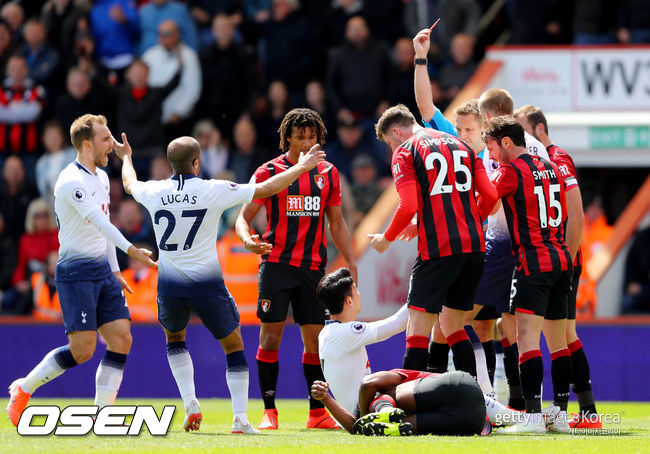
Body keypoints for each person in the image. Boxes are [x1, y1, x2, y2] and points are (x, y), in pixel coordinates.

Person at [118, 132, 326, 433]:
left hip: (170, 284)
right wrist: (302, 167)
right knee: (233, 346)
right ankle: (240, 418)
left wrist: (127, 157)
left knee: (175, 340)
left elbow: (128, 183)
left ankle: (190, 402)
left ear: (170, 164)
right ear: (197, 162)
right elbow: (266, 187)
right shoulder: (212, 189)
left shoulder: (154, 191)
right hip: (206, 284)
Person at [6, 114, 157, 427]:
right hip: (75, 272)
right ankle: (24, 388)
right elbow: (100, 222)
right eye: (105, 139)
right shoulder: (70, 181)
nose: (111, 145)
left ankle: (102, 415)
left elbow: (104, 229)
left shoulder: (100, 177)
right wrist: (131, 251)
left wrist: (115, 269)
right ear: (87, 144)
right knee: (83, 350)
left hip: (102, 269)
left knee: (121, 338)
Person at [235, 108, 356, 430]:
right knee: (270, 337)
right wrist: (248, 240)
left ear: (319, 138)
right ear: (287, 136)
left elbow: (337, 222)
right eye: (299, 136)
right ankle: (269, 412)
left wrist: (351, 259)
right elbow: (243, 217)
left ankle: (317, 414)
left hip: (314, 269)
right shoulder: (269, 171)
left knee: (315, 343)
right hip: (276, 266)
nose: (305, 142)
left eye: (311, 136)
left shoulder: (328, 173)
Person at [368, 104, 497, 378]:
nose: (391, 149)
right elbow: (491, 196)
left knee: (417, 328)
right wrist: (470, 219)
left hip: (438, 248)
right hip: (474, 247)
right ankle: (473, 401)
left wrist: (386, 239)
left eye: (389, 143)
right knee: (454, 326)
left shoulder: (406, 150)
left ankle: (410, 404)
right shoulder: (462, 144)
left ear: (396, 132)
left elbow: (408, 205)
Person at [514, 104, 601, 429]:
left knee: (561, 334)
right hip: (561, 258)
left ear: (538, 129)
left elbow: (576, 214)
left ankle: (578, 411)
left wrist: (568, 257)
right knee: (564, 334)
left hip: (561, 259)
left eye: (524, 131)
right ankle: (578, 411)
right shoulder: (545, 160)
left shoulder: (556, 159)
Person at [484, 116, 573, 433]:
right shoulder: (548, 165)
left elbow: (487, 206)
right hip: (561, 259)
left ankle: (533, 417)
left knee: (526, 339)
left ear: (506, 142)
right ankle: (560, 414)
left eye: (492, 148)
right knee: (559, 343)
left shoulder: (509, 172)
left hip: (533, 263)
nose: (491, 156)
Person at [316, 267, 408, 415]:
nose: (359, 295)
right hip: (365, 411)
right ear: (349, 301)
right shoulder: (346, 332)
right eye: (356, 290)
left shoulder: (328, 332)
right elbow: (397, 324)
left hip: (358, 409)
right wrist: (418, 288)